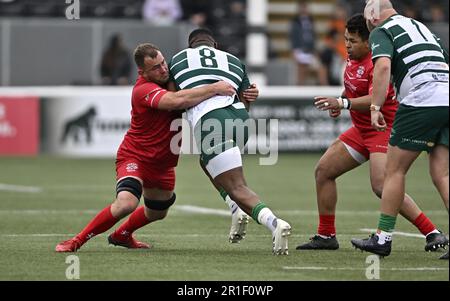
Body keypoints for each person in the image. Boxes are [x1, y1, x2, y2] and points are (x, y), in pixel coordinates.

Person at [55, 43, 241, 252]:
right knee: (126, 203)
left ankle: (122, 235)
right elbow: (175, 101)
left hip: (163, 164)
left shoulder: (172, 77)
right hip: (136, 157)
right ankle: (76, 241)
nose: (163, 69)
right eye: (155, 68)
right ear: (142, 72)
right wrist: (215, 87)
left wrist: (246, 94)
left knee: (158, 212)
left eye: (163, 63)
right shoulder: (143, 90)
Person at [296, 14, 448, 253]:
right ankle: (326, 235)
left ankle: (432, 232)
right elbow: (351, 88)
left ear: (370, 43)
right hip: (361, 130)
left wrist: (342, 103)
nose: (347, 45)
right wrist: (341, 100)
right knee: (323, 171)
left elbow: (374, 98)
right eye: (346, 39)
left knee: (381, 185)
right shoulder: (351, 57)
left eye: (353, 41)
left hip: (382, 129)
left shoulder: (379, 63)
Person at [168, 28, 292, 255]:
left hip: (211, 121)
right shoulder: (234, 60)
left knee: (237, 186)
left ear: (191, 45)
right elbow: (246, 101)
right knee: (206, 163)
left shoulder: (178, 59)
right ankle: (235, 208)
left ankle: (275, 223)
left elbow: (172, 99)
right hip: (241, 120)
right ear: (214, 45)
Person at [351, 0, 449, 260]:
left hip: (422, 98)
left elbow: (382, 67)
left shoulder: (383, 30)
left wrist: (375, 107)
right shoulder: (421, 26)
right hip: (447, 96)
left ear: (373, 15)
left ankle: (382, 238)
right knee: (443, 175)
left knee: (394, 172)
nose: (369, 25)